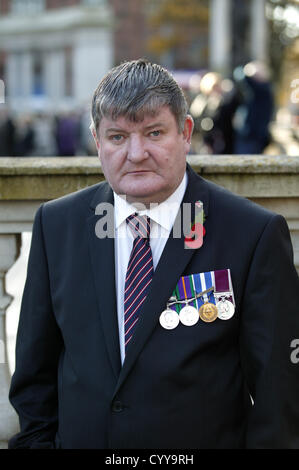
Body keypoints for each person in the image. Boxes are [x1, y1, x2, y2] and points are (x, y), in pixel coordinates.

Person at [8, 59, 299, 449]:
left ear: (185, 132)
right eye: (117, 137)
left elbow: (279, 394)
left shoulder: (252, 234)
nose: (136, 153)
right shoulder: (57, 225)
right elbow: (33, 376)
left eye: (154, 132)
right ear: (97, 141)